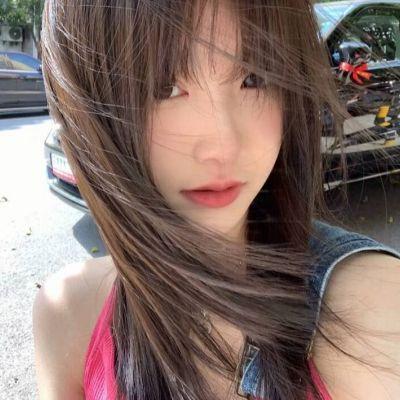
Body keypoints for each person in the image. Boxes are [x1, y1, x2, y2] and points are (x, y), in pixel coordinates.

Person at [33, 1, 400, 399]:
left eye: (255, 78)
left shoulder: (371, 312)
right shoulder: (69, 317)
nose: (223, 146)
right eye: (163, 88)